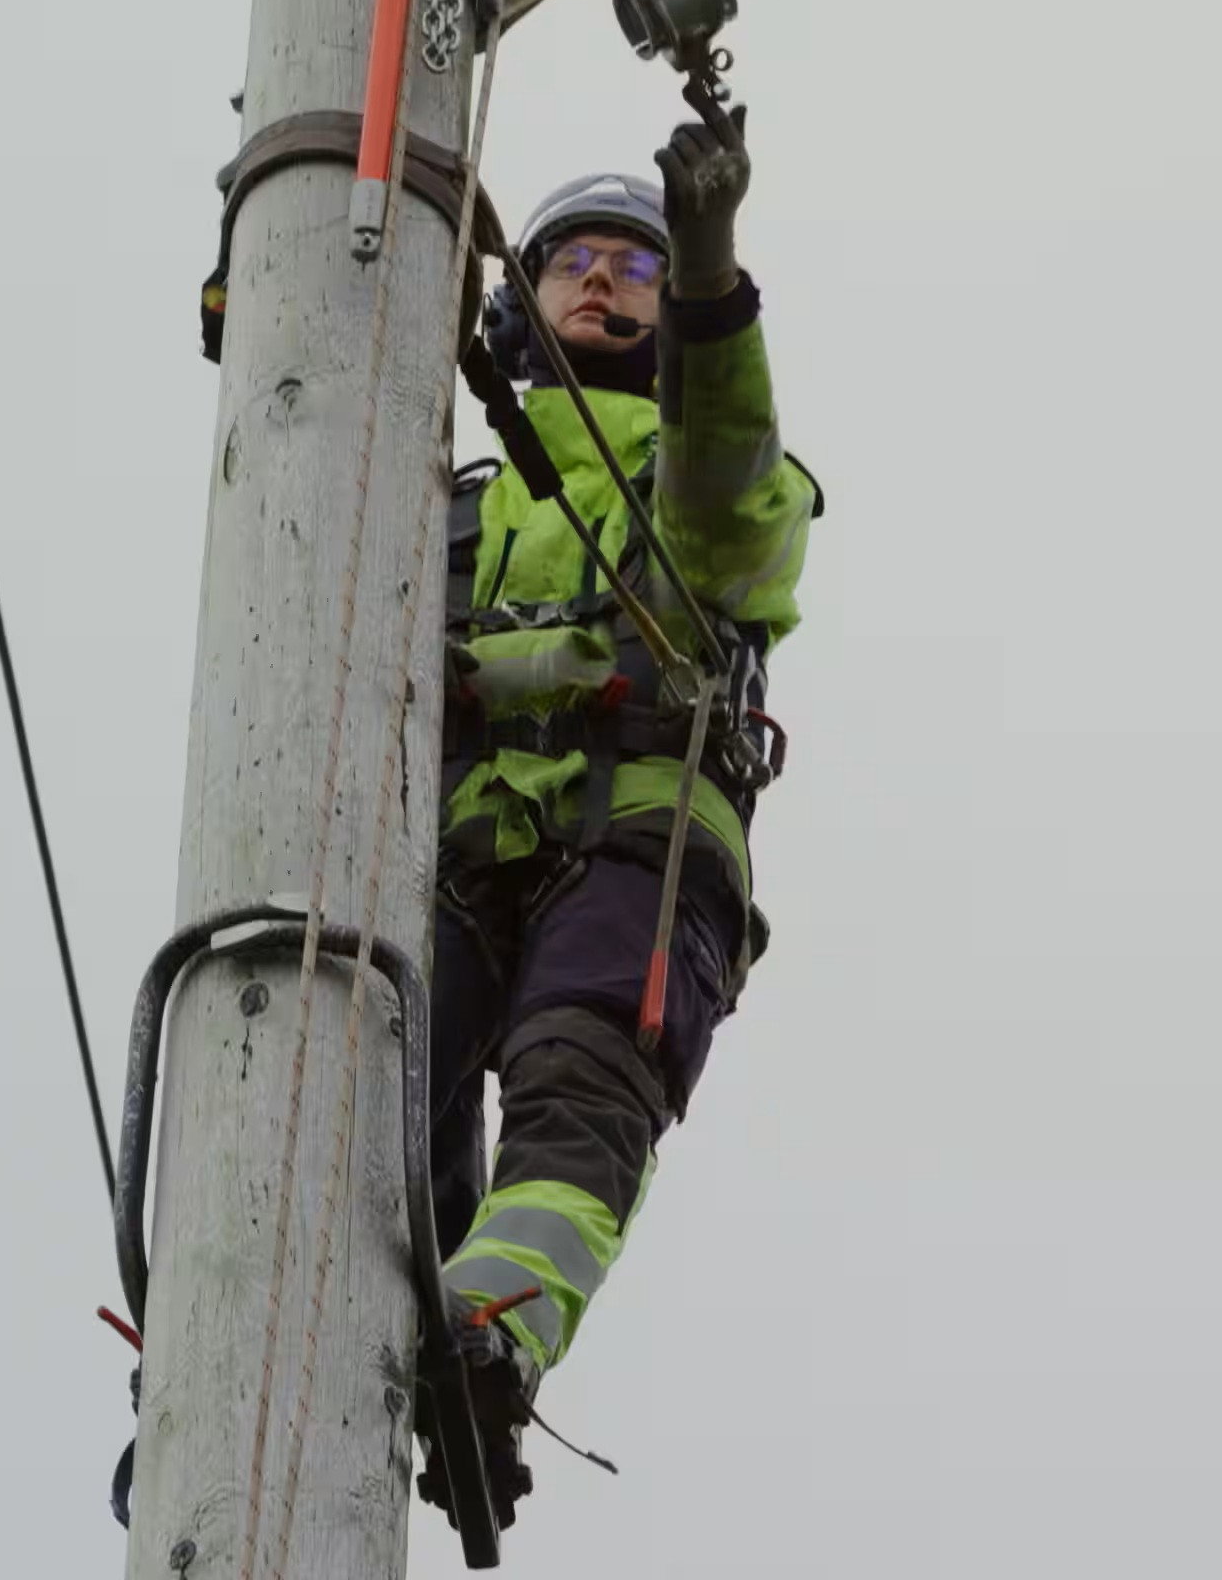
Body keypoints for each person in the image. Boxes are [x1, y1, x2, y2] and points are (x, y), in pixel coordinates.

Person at [425, 104, 813, 1512]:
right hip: (452, 858)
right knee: (363, 1097)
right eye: (571, 260)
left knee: (578, 1088)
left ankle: (492, 1331)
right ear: (520, 304)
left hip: (634, 854)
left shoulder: (720, 481)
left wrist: (710, 270)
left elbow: (727, 490)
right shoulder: (442, 505)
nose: (602, 278)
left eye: (633, 265)